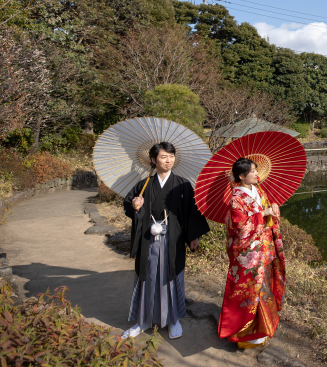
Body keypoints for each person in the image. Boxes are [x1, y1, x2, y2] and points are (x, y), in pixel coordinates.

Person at [121, 142, 210, 340]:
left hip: (173, 238)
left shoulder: (183, 184)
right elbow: (128, 205)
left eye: (171, 156)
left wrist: (193, 236)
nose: (169, 160)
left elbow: (190, 212)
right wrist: (136, 206)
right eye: (163, 157)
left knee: (171, 276)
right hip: (148, 239)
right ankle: (142, 320)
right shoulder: (144, 184)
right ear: (153, 160)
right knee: (148, 276)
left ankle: (172, 319)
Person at [218, 157, 286, 349]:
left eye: (256, 170)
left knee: (263, 289)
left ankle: (262, 327)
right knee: (248, 292)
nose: (257, 174)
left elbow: (268, 211)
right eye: (253, 172)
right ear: (241, 176)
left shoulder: (258, 190)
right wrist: (263, 214)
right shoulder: (236, 198)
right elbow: (241, 227)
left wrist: (272, 209)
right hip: (248, 254)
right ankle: (244, 333)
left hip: (263, 249)